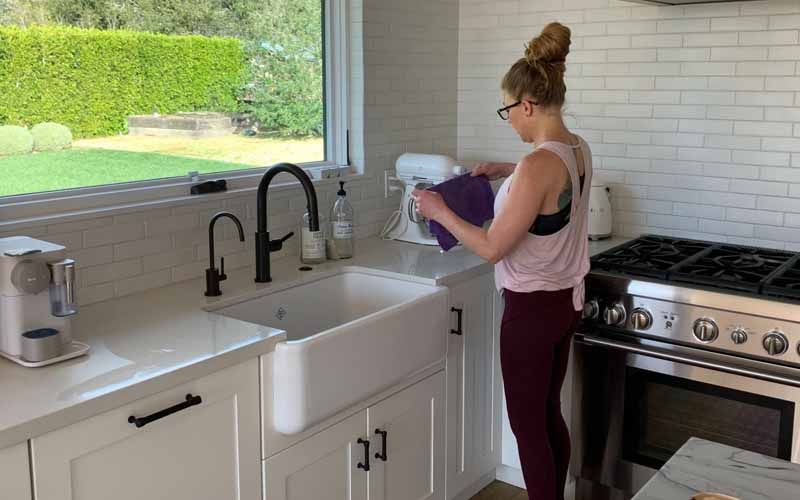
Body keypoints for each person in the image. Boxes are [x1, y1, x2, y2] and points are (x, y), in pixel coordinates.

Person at [413, 22, 591, 500]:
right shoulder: (576, 149)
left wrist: (439, 210)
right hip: (564, 303)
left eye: (508, 110)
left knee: (527, 426)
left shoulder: (537, 165)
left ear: (527, 106)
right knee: (547, 413)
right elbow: (555, 190)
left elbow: (492, 247)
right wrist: (506, 169)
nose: (509, 119)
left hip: (530, 309)